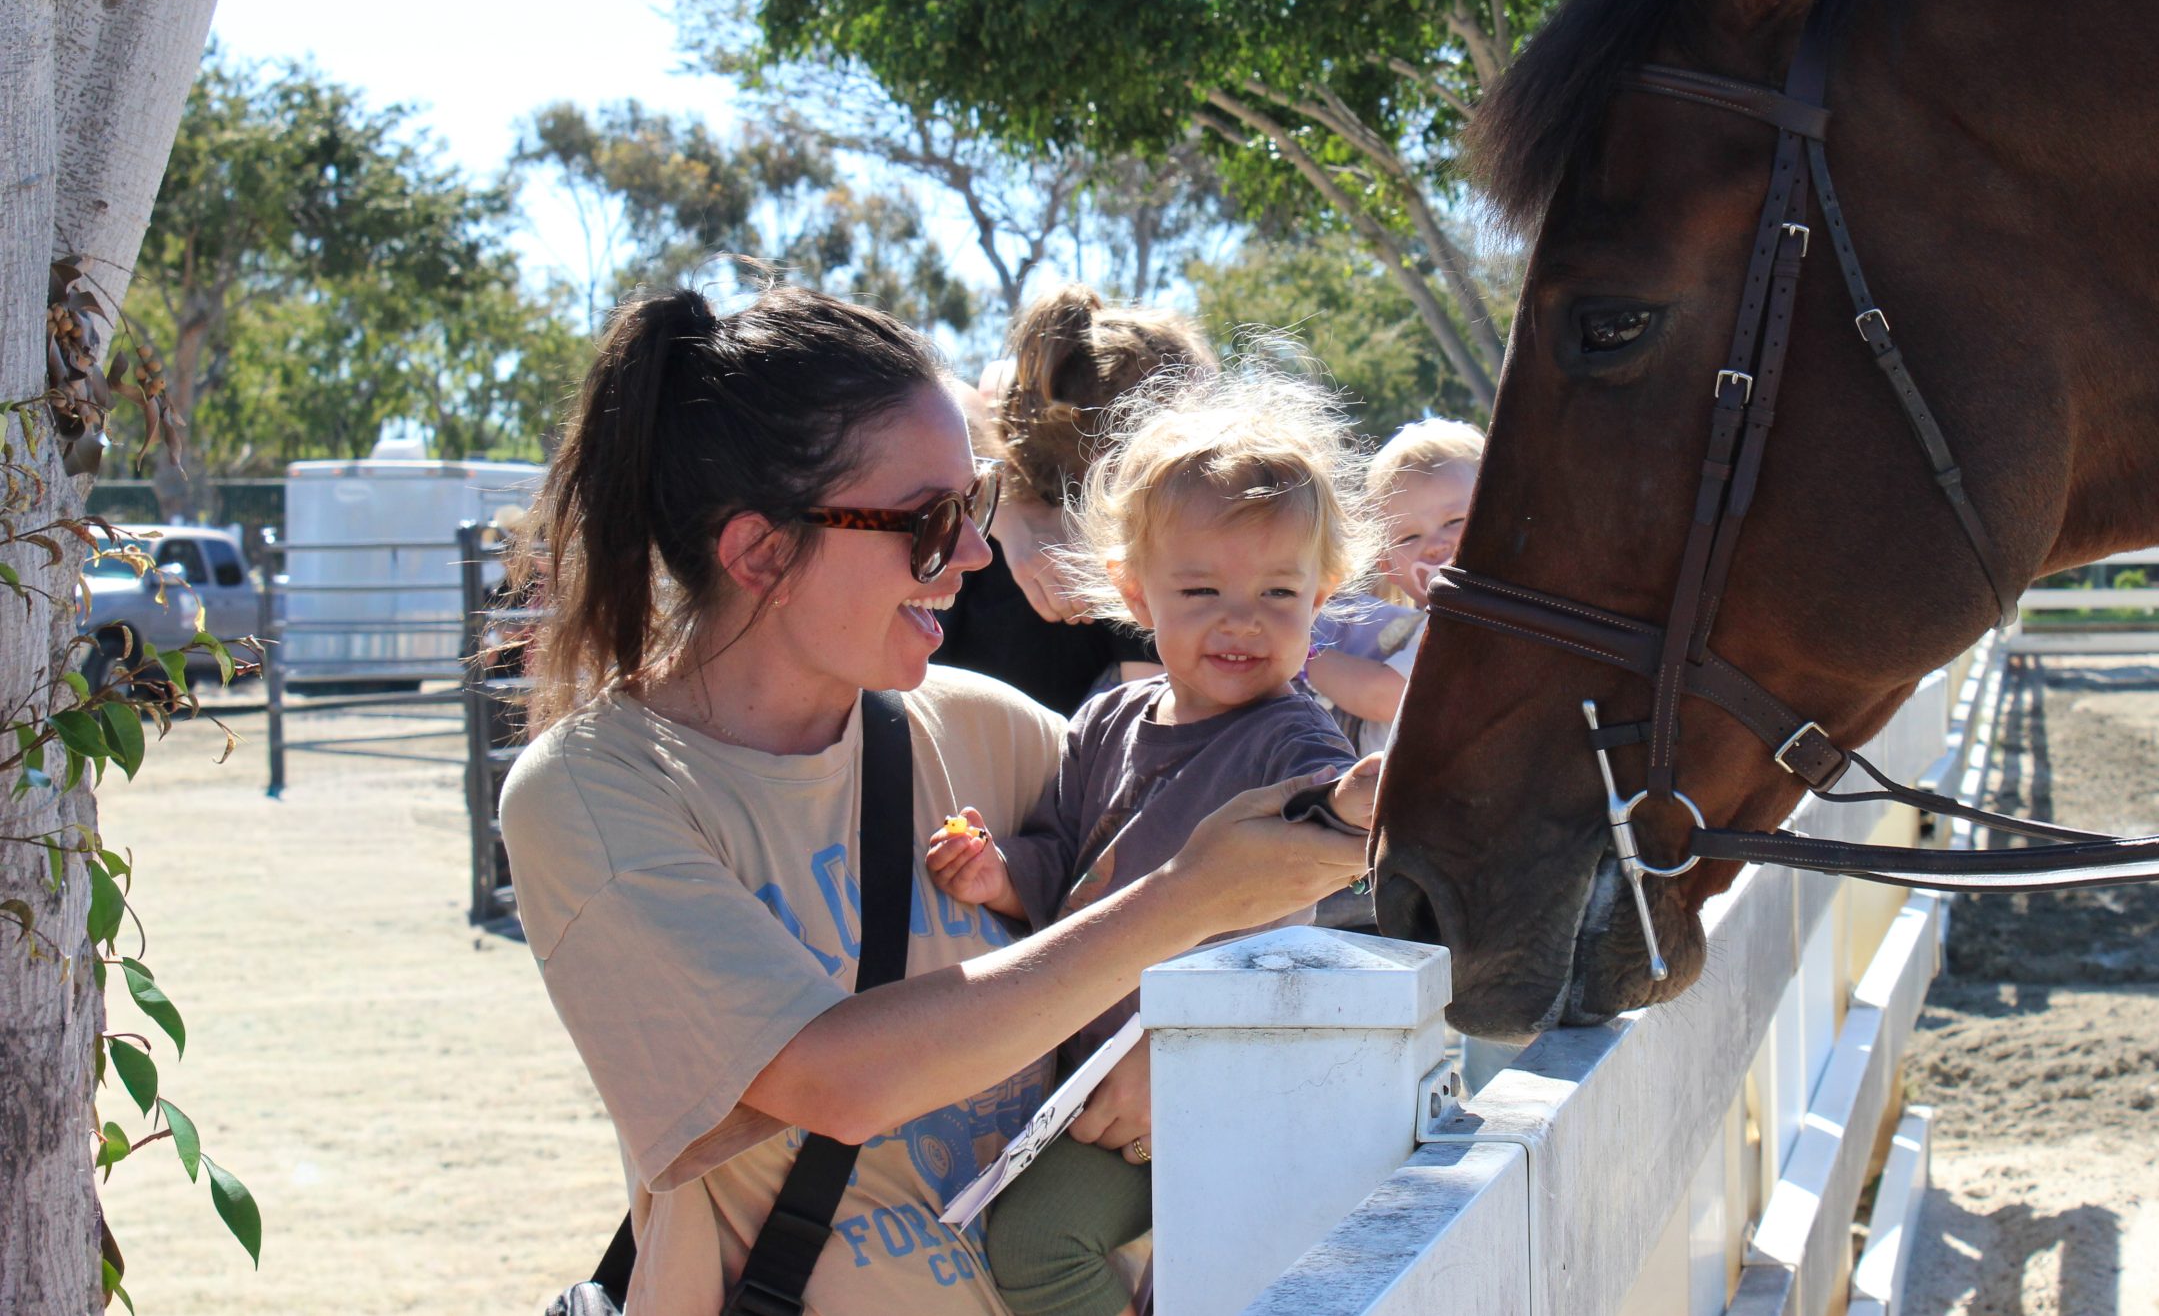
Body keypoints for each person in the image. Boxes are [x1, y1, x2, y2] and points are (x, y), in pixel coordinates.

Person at [497, 279, 1366, 1316]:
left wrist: (1189, 1061)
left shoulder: (983, 727)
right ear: (760, 551)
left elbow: (1233, 827)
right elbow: (834, 1078)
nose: (973, 554)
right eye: (928, 521)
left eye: (978, 504)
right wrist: (1182, 900)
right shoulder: (593, 795)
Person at [924, 365, 1383, 1316]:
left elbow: (1300, 877)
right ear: (1137, 590)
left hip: (1213, 1078)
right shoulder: (1107, 720)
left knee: (1042, 1244)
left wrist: (1171, 1049)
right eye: (1203, 588)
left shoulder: (1294, 742)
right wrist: (999, 871)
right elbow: (1062, 858)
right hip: (1088, 1064)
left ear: (1323, 594)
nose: (1242, 620)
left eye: (1279, 592)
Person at [931, 285, 1212, 716]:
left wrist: (1009, 509)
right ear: (1126, 441)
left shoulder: (971, 523)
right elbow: (1158, 729)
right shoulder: (1133, 563)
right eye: (1200, 427)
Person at [1303, 417, 1484, 752]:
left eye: (1455, 521)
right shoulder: (1429, 623)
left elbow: (1382, 695)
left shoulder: (1471, 626)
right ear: (1386, 564)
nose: (1435, 545)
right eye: (1409, 536)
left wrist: (1300, 656)